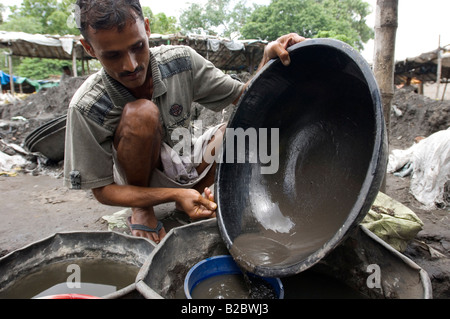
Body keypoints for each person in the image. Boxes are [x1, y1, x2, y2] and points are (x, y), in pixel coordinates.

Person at [64, 0, 306, 244]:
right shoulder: (87, 107)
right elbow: (103, 191)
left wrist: (267, 59)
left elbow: (243, 98)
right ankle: (143, 208)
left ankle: (199, 197)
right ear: (90, 48)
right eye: (113, 56)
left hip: (186, 160)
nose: (131, 65)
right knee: (142, 114)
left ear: (147, 28)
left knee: (235, 134)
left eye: (138, 47)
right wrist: (175, 194)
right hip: (142, 178)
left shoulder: (181, 62)